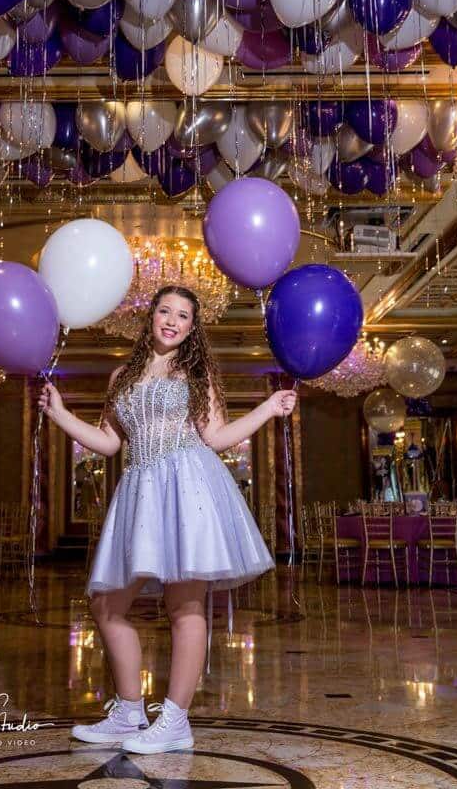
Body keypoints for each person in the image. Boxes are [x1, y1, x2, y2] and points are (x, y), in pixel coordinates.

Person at [39, 284, 297, 755]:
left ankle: (175, 720)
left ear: (193, 328)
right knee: (106, 604)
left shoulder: (197, 373)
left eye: (183, 315)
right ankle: (129, 712)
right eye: (165, 311)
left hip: (187, 485)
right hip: (139, 489)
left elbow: (217, 437)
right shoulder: (121, 375)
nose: (172, 321)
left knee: (185, 606)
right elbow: (108, 443)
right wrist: (59, 414)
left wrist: (268, 407)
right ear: (151, 316)